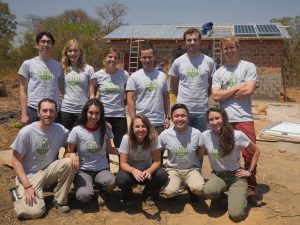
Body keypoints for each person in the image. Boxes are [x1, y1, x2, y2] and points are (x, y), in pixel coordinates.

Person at [211, 36, 260, 206]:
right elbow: (216, 96)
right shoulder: (219, 72)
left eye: (232, 47)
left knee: (249, 153)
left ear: (237, 48)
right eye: (226, 48)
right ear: (222, 50)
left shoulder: (248, 67)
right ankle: (226, 185)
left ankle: (251, 187)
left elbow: (249, 90)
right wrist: (237, 87)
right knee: (223, 154)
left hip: (244, 117)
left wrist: (227, 92)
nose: (229, 51)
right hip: (224, 120)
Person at [11, 98, 76, 219]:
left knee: (69, 162)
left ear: (56, 114)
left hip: (47, 171)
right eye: (45, 110)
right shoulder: (26, 132)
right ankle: (16, 194)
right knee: (34, 212)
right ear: (38, 113)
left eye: (52, 111)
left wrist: (70, 153)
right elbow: (15, 161)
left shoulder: (60, 129)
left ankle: (60, 200)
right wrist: (27, 186)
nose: (48, 114)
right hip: (30, 177)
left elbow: (76, 137)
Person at [200, 105, 260, 222]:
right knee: (208, 191)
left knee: (236, 215)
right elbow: (200, 154)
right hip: (218, 175)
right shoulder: (205, 136)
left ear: (224, 119)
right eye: (211, 119)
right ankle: (223, 196)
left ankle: (239, 197)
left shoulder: (237, 135)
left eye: (217, 118)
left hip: (236, 176)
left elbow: (256, 150)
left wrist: (249, 171)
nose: (214, 122)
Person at [64, 98, 119, 206]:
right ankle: (86, 188)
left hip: (102, 169)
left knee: (111, 181)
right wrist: (72, 154)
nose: (94, 116)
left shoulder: (105, 128)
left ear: (101, 114)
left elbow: (110, 149)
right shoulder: (77, 130)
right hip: (83, 171)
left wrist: (127, 151)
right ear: (85, 112)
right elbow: (67, 153)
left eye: (97, 113)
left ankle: (103, 191)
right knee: (83, 196)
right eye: (91, 112)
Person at [116, 114, 168, 206]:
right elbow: (123, 163)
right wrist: (133, 170)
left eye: (143, 126)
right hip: (131, 174)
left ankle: (149, 194)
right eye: (137, 126)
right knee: (121, 178)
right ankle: (128, 196)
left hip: (146, 173)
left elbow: (157, 162)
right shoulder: (126, 139)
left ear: (148, 128)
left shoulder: (153, 138)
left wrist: (149, 171)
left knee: (162, 174)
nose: (140, 129)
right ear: (132, 128)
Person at [169, 28, 215, 132]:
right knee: (183, 140)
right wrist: (183, 98)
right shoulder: (178, 62)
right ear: (185, 42)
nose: (192, 42)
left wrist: (201, 97)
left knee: (200, 141)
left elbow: (211, 86)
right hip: (183, 110)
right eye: (189, 40)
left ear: (200, 41)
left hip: (202, 110)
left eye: (195, 40)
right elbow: (173, 86)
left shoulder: (209, 62)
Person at [159, 104, 204, 204]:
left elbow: (201, 152)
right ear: (172, 118)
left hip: (191, 169)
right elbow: (157, 151)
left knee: (199, 188)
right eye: (176, 116)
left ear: (188, 117)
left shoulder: (196, 133)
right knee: (169, 192)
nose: (180, 119)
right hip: (173, 169)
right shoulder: (165, 134)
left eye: (183, 116)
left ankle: (191, 189)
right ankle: (174, 192)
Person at [19, 31, 64, 125]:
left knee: (54, 139)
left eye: (49, 42)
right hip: (34, 111)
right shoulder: (28, 64)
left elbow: (63, 90)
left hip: (53, 111)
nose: (46, 44)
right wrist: (24, 114)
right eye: (43, 41)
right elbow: (23, 90)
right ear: (37, 45)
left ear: (52, 46)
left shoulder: (58, 66)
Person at [126, 42, 170, 135]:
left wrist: (167, 117)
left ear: (154, 56)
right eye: (144, 57)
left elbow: (166, 98)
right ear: (140, 58)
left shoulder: (162, 76)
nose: (147, 60)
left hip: (158, 123)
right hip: (141, 124)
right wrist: (134, 121)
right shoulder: (134, 77)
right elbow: (130, 100)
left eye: (150, 57)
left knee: (158, 149)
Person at [90, 48, 129, 148]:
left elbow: (128, 94)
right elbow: (92, 95)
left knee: (122, 147)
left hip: (120, 115)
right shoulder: (97, 75)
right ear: (105, 58)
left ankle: (122, 164)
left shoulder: (124, 74)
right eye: (110, 57)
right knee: (102, 145)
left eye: (115, 57)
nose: (113, 59)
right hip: (103, 116)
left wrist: (123, 104)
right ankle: (105, 164)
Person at [60, 39, 94, 130]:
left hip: (82, 110)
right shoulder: (62, 68)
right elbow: (61, 89)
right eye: (70, 51)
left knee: (81, 139)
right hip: (66, 110)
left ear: (80, 52)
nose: (72, 53)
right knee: (67, 139)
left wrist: (92, 109)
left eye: (75, 50)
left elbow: (91, 93)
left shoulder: (88, 69)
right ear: (66, 53)